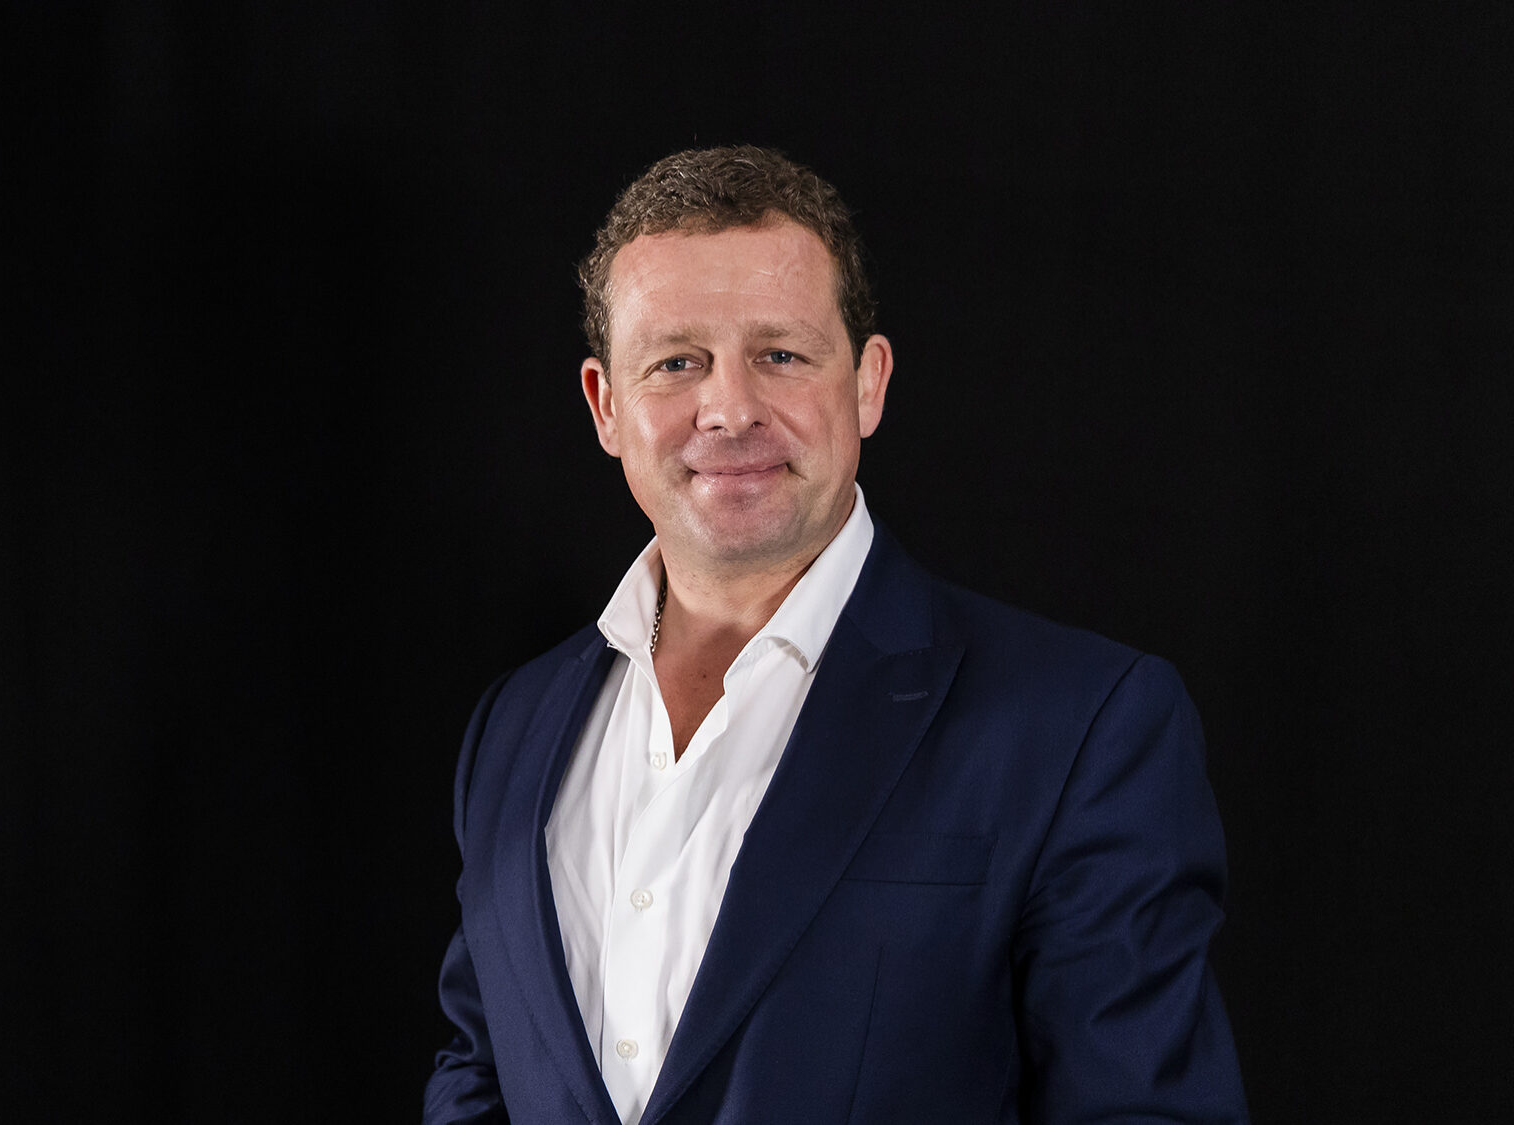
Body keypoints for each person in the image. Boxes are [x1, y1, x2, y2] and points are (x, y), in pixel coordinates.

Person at [422, 145, 1247, 1125]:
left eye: (779, 354)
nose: (729, 409)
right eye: (677, 362)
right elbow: (479, 1072)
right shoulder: (512, 728)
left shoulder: (1077, 727)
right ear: (606, 405)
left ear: (867, 383)